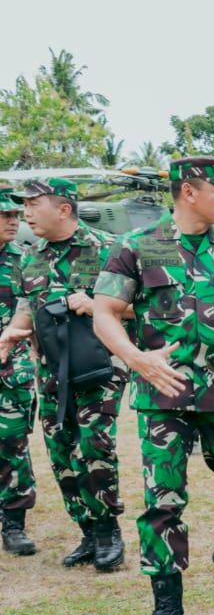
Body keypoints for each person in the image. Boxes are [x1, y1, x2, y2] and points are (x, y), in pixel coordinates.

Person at [93, 156, 214, 615]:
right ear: (189, 192)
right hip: (163, 392)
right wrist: (136, 359)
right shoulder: (137, 246)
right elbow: (104, 313)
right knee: (163, 502)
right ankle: (168, 609)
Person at [0, 178, 126, 571]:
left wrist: (96, 305)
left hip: (99, 367)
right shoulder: (30, 256)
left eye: (32, 204)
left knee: (94, 445)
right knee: (60, 449)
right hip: (51, 368)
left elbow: (142, 305)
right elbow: (26, 305)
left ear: (63, 209)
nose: (25, 213)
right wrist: (12, 332)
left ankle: (107, 530)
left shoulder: (108, 248)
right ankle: (87, 530)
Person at [0, 188, 38, 556]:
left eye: (15, 215)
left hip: (11, 371)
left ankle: (13, 524)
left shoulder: (25, 260)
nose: (13, 221)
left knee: (12, 446)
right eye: (5, 215)